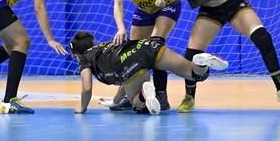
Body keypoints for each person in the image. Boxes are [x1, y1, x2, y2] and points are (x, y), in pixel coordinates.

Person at [105, 0, 182, 112]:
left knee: (155, 45)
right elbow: (118, 3)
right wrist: (120, 27)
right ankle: (131, 95)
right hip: (144, 9)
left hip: (167, 4)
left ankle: (162, 95)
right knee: (133, 52)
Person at [69, 31, 228, 114]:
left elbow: (87, 87)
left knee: (138, 105)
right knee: (196, 75)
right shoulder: (104, 46)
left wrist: (82, 107)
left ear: (77, 54)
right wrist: (114, 102)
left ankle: (144, 94)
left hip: (126, 63)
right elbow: (123, 82)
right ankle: (200, 61)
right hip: (144, 46)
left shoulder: (85, 58)